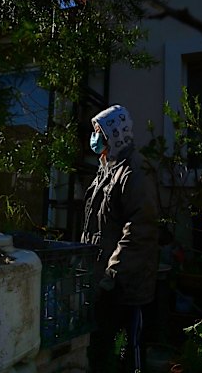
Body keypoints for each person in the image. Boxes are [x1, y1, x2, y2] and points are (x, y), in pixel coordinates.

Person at [80, 104, 159, 373]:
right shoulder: (107, 170)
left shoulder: (135, 171)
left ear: (114, 133)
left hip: (126, 286)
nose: (94, 137)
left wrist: (112, 276)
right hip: (104, 282)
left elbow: (139, 231)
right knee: (104, 351)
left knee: (129, 353)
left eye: (98, 131)